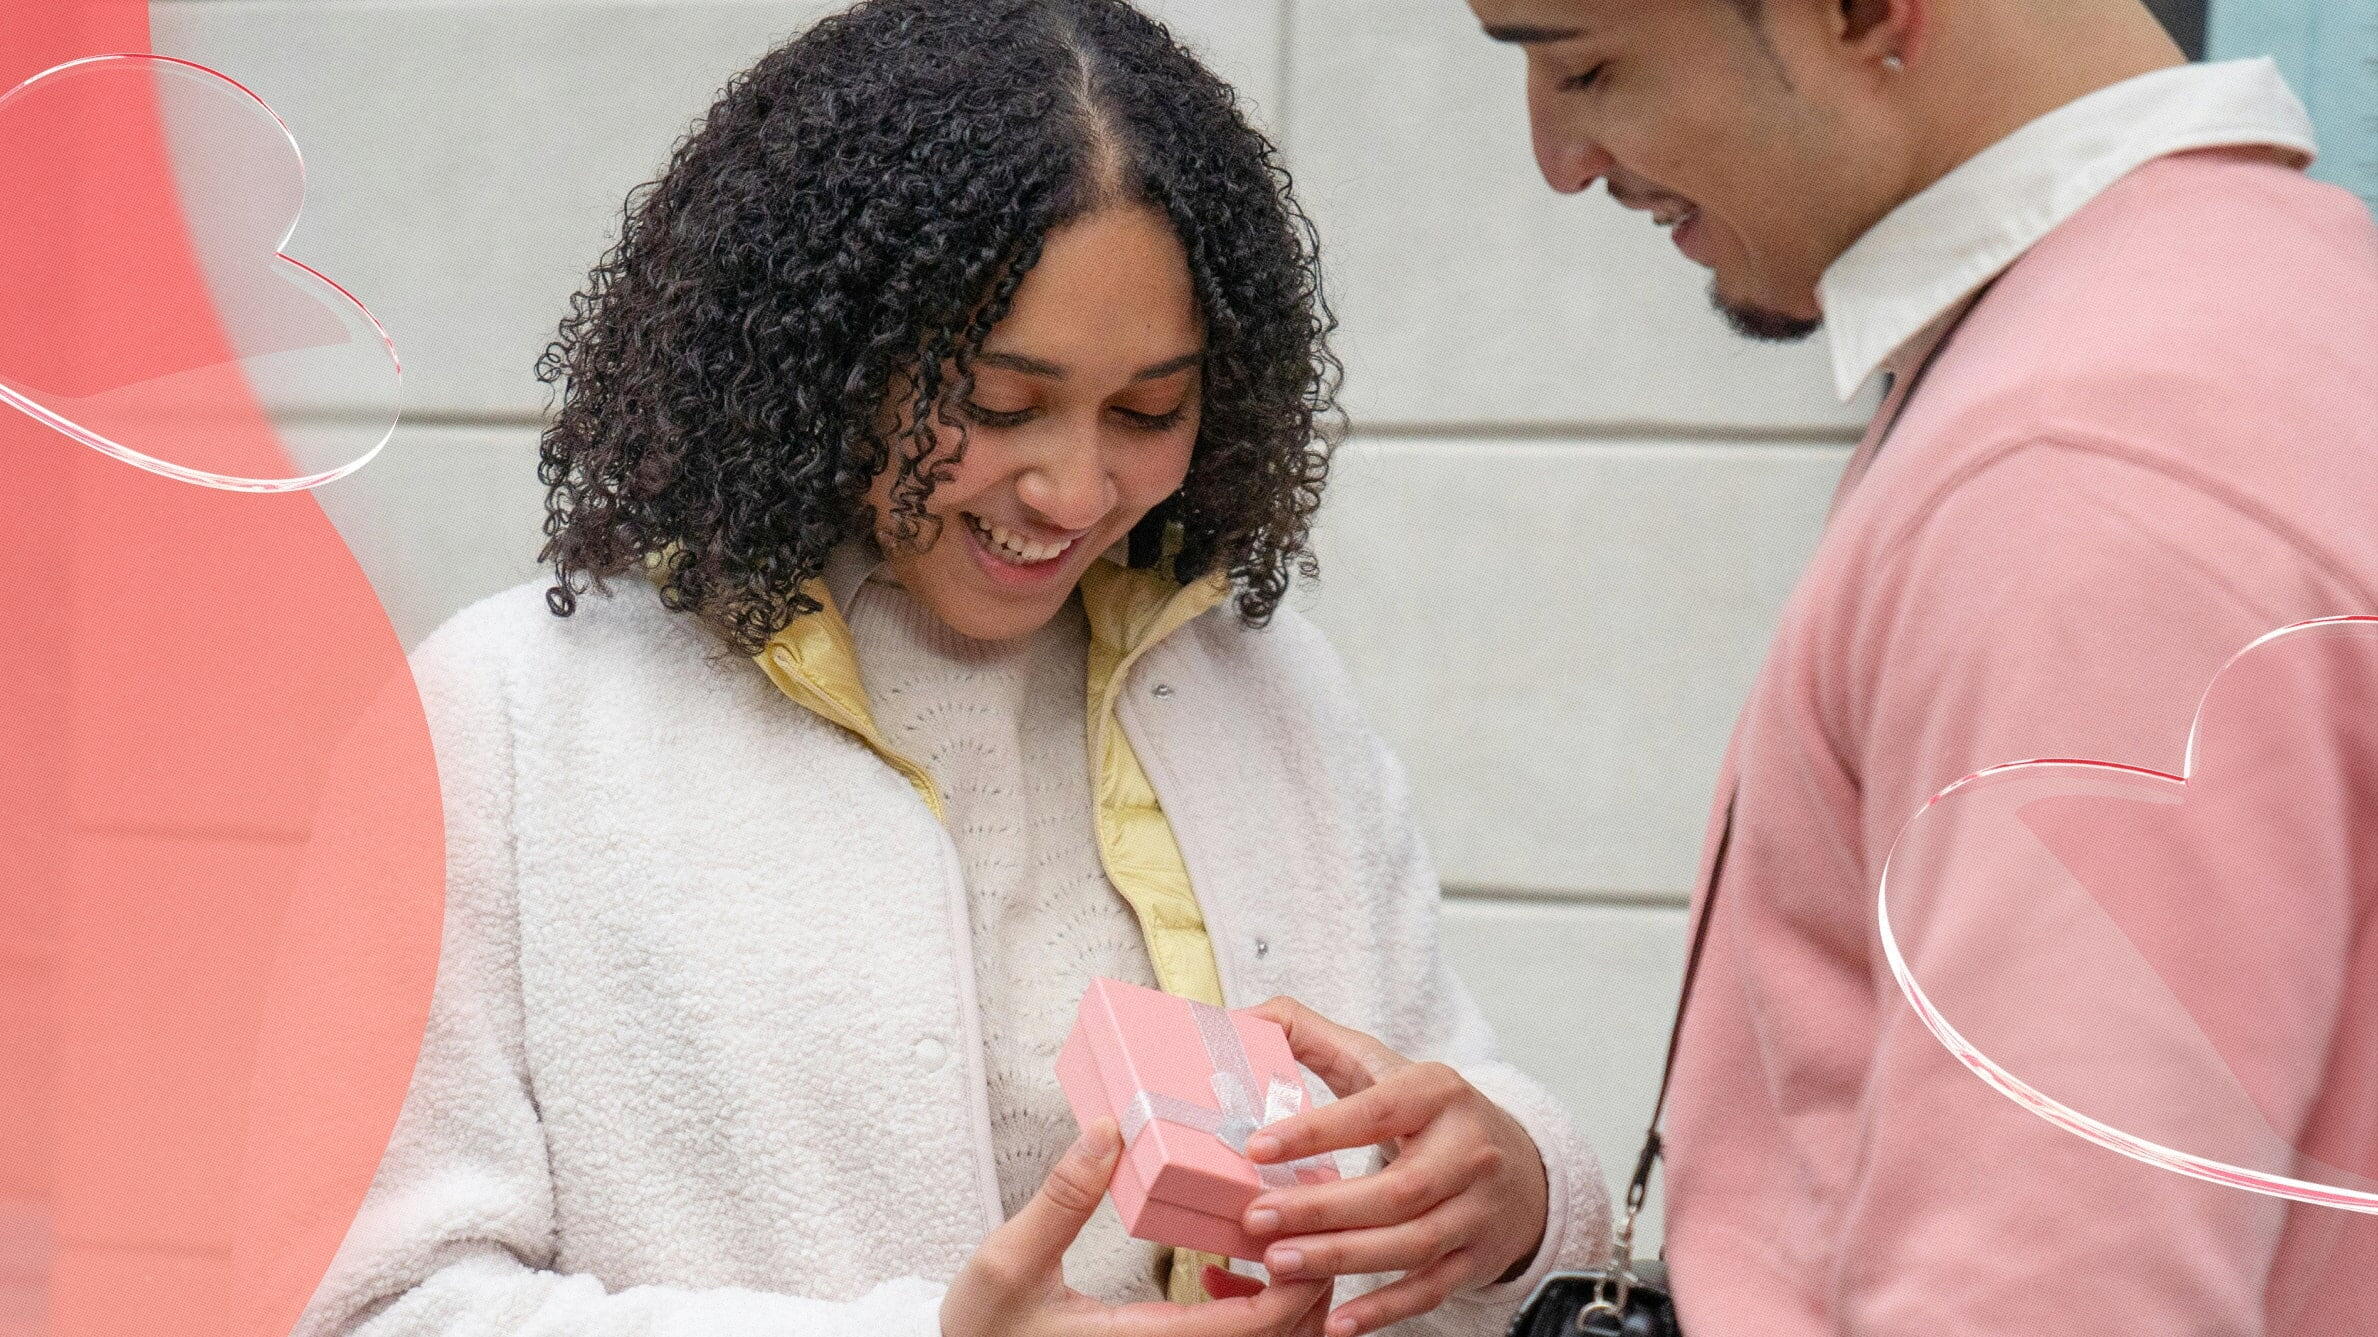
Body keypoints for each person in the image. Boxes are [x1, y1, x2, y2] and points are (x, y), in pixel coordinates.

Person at [297, 3, 1612, 1336]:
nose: (1075, 485)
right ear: (822, 360)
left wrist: (1511, 1201)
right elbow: (374, 1307)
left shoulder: (1268, 694)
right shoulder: (509, 722)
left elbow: (1449, 1110)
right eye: (996, 405)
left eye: (1151, 408)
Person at [1461, 0, 2378, 1332]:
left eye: (1582, 63)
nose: (1557, 156)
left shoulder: (2080, 473)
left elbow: (2060, 1293)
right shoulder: (2265, 306)